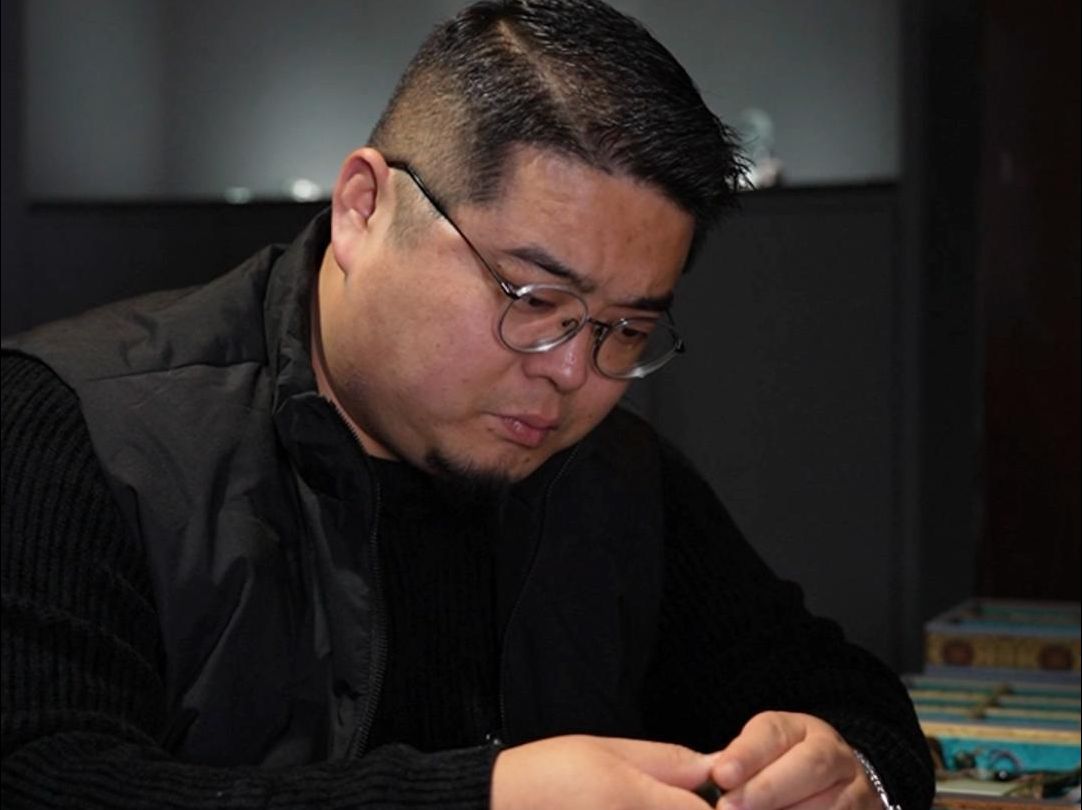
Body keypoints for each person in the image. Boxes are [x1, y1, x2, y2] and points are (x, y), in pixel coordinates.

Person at [0, 1, 934, 807]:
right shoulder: (79, 427)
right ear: (363, 208)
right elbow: (44, 777)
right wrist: (479, 796)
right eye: (533, 298)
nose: (571, 373)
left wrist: (850, 770)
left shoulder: (612, 474)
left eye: (625, 329)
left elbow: (846, 698)